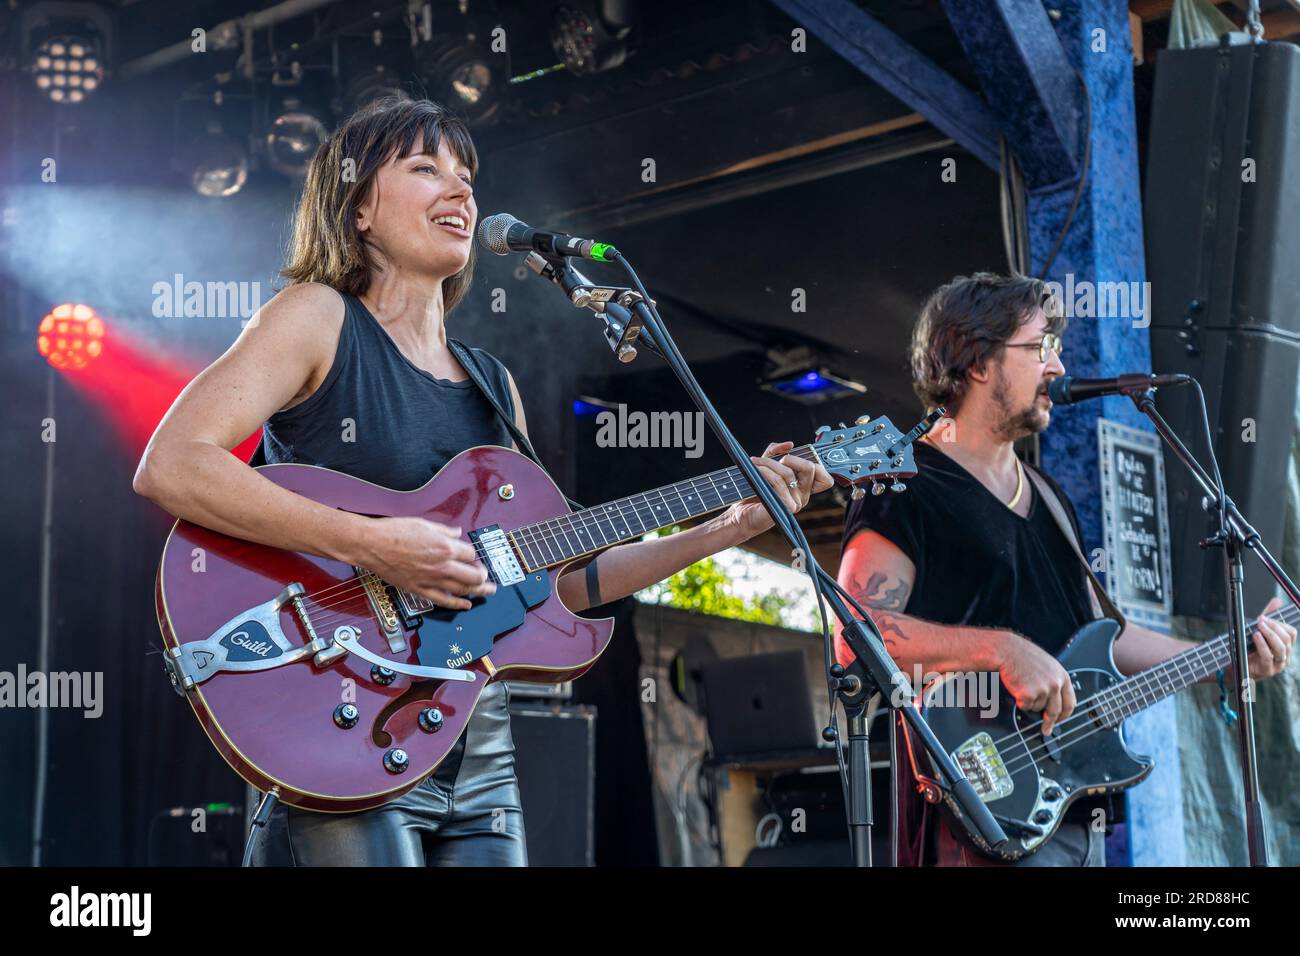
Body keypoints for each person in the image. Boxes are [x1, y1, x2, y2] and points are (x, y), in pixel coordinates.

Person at [133, 95, 831, 866]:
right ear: (357, 207)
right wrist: (375, 546)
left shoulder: (492, 383)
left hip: (480, 755)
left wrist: (725, 528)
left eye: (468, 175)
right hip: (345, 725)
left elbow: (558, 589)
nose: (462, 191)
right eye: (426, 168)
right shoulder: (317, 318)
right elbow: (173, 463)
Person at [835, 272, 1295, 867]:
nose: (1057, 365)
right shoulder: (902, 482)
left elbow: (1103, 636)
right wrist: (1001, 650)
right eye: (1039, 346)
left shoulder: (1047, 494)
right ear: (977, 361)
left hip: (1069, 816)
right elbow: (856, 637)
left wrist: (1222, 659)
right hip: (974, 809)